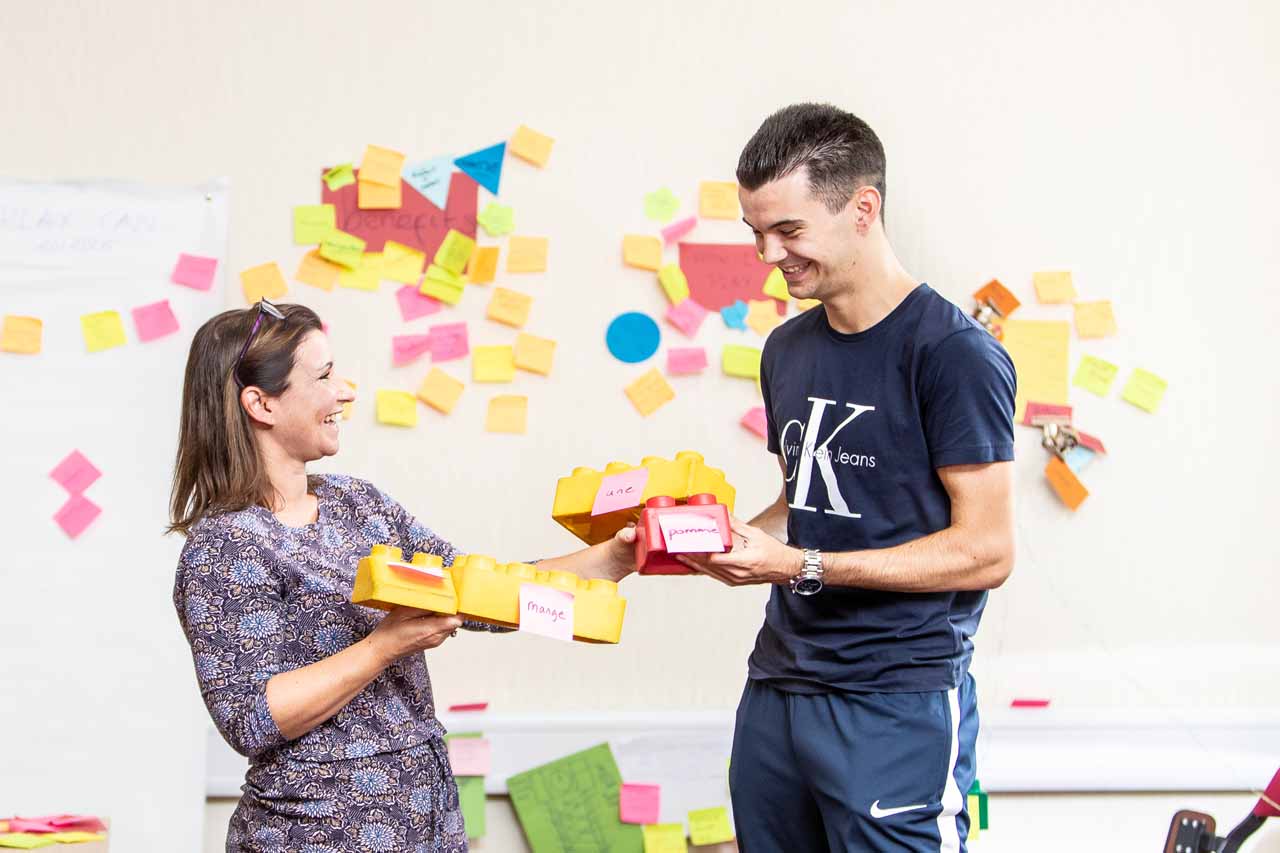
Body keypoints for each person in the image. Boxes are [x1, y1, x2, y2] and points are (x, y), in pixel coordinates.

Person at [169, 300, 634, 852]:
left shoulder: (357, 504)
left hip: (426, 821)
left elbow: (477, 592)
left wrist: (614, 559)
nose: (345, 392)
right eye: (323, 376)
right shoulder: (223, 547)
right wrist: (384, 646)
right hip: (314, 833)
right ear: (261, 403)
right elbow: (252, 718)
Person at [680, 104, 1017, 852]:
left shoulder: (954, 354)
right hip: (779, 684)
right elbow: (801, 502)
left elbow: (987, 551)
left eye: (788, 230)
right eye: (755, 231)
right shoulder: (786, 348)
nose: (767, 253)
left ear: (863, 209)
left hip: (895, 697)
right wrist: (714, 537)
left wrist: (800, 566)